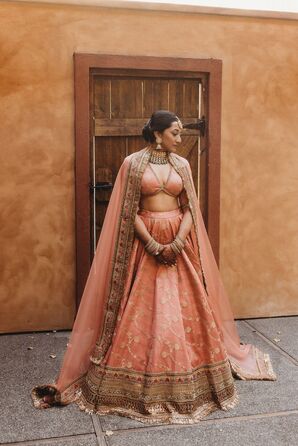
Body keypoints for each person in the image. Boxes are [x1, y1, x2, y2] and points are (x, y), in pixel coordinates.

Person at [32, 110, 276, 424]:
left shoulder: (182, 164)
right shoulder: (132, 164)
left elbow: (190, 207)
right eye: (175, 132)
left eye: (182, 132)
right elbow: (127, 209)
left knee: (186, 308)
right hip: (144, 245)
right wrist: (151, 243)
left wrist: (176, 242)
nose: (180, 137)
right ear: (158, 134)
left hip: (178, 242)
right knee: (139, 310)